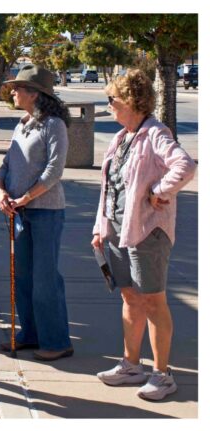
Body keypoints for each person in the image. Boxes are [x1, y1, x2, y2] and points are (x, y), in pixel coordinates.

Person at [92, 70, 195, 400]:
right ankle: (131, 365)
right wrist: (100, 227)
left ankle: (163, 375)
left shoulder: (155, 133)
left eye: (113, 100)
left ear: (131, 101)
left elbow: (185, 165)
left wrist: (160, 190)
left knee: (153, 301)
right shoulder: (122, 137)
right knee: (129, 297)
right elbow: (109, 188)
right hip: (120, 232)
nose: (110, 106)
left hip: (148, 232)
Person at [0, 65, 72, 361]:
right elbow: (6, 166)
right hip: (18, 213)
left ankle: (57, 341)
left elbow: (54, 170)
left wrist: (27, 197)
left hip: (45, 212)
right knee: (23, 277)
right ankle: (30, 334)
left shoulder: (53, 125)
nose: (13, 92)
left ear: (35, 94)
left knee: (45, 279)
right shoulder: (21, 124)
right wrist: (1, 191)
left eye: (18, 87)